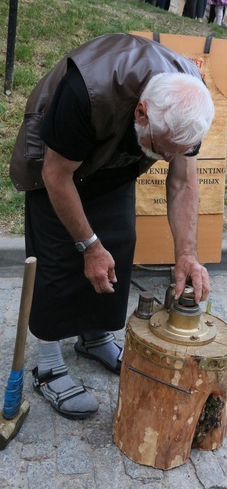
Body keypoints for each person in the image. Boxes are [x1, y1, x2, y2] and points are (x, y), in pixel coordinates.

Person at [10, 33, 215, 420]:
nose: (169, 159)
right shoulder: (85, 90)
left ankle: (94, 336)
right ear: (141, 113)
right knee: (56, 260)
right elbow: (56, 175)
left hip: (113, 159)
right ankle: (48, 363)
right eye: (163, 150)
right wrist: (88, 245)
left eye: (177, 151)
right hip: (57, 160)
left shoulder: (188, 102)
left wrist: (187, 254)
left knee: (118, 244)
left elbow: (184, 181)